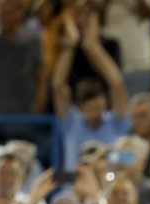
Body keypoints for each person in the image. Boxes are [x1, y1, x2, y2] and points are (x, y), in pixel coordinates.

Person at [52, 8, 129, 169]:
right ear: (81, 106)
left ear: (106, 103)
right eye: (91, 107)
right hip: (75, 188)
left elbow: (117, 85)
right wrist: (70, 47)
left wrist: (93, 46)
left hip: (110, 185)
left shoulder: (116, 123)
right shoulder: (71, 123)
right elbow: (58, 86)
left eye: (99, 106)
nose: (96, 111)